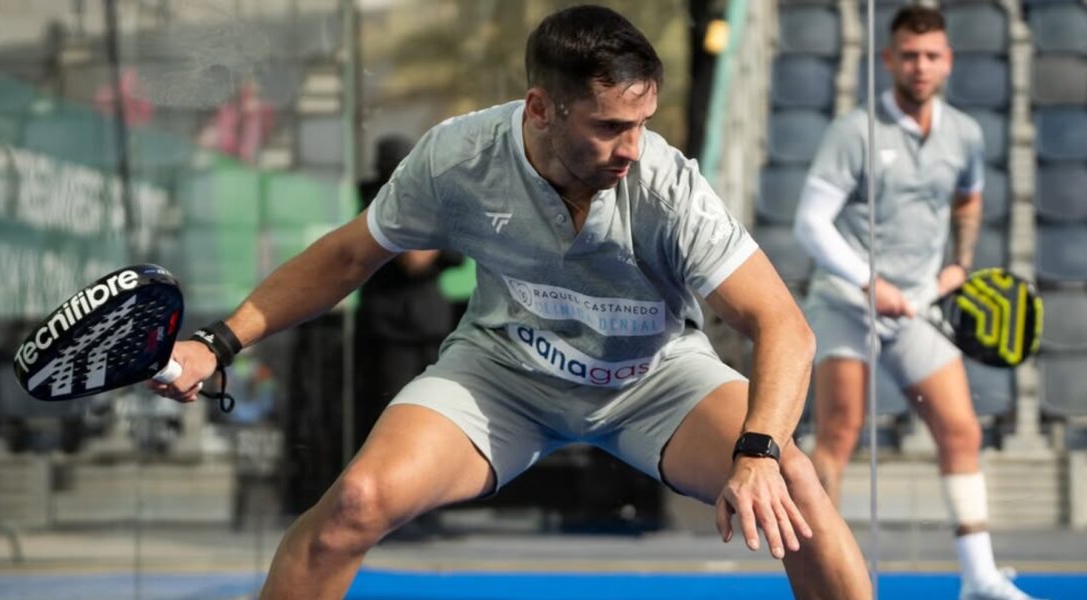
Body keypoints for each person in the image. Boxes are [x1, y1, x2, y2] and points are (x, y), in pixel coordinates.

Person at [154, 6, 870, 599]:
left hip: (655, 380)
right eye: (609, 127)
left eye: (642, 123)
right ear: (540, 109)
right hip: (504, 377)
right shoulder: (456, 160)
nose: (631, 147)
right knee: (354, 505)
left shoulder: (668, 187)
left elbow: (784, 326)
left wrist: (757, 452)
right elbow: (347, 257)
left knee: (794, 484)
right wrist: (217, 344)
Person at [793, 6, 1040, 600]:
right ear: (889, 60)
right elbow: (810, 223)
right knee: (839, 435)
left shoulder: (965, 134)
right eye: (909, 55)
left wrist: (960, 263)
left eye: (931, 55)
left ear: (947, 61)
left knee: (961, 431)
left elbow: (968, 199)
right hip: (845, 303)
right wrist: (866, 281)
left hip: (919, 309)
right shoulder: (854, 131)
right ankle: (828, 581)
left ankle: (979, 579)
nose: (920, 66)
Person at [355, 135, 464, 449]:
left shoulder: (427, 201)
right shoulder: (378, 200)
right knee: (394, 416)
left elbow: (457, 252)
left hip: (429, 324)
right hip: (391, 329)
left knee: (437, 410)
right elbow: (413, 258)